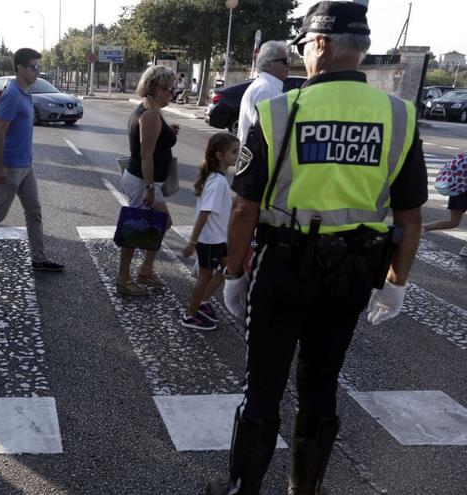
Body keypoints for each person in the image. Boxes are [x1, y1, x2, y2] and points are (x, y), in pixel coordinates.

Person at [207, 2, 427, 494]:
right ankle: (304, 489)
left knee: (262, 388)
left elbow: (243, 209)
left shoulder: (280, 110)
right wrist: (396, 285)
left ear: (321, 44)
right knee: (320, 387)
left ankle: (244, 489)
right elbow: (410, 217)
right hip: (352, 273)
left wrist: (235, 275)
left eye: (304, 46)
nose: (303, 56)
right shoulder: (399, 115)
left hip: (283, 268)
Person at [0, 48, 64, 273]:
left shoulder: (26, 92)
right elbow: (0, 132)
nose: (37, 72)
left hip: (25, 166)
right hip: (10, 166)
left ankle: (39, 258)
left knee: (34, 211)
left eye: (39, 67)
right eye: (34, 67)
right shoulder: (11, 95)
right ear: (20, 68)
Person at [117, 65, 179, 297]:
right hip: (142, 181)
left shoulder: (149, 111)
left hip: (143, 180)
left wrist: (168, 132)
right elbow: (145, 156)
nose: (172, 94)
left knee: (158, 223)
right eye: (169, 89)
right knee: (136, 228)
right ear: (156, 88)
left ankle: (145, 269)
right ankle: (124, 278)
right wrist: (150, 187)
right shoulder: (150, 115)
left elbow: (151, 141)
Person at [181, 133, 240, 330]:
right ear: (220, 155)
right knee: (205, 276)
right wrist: (192, 242)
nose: (237, 155)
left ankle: (203, 301)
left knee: (228, 269)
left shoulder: (219, 179)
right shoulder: (216, 182)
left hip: (219, 239)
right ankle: (190, 315)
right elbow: (204, 215)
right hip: (210, 240)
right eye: (234, 152)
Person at [236, 40, 290, 144]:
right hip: (260, 158)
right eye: (284, 61)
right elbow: (265, 136)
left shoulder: (266, 87)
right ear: (269, 65)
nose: (288, 65)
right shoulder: (266, 90)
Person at [423, 186, 467, 257]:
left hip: (457, 190)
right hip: (460, 190)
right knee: (454, 222)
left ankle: (422, 228)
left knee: (453, 222)